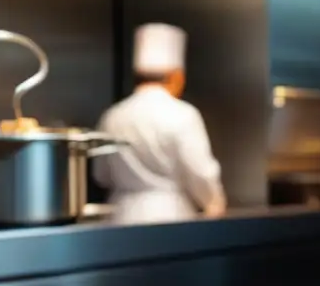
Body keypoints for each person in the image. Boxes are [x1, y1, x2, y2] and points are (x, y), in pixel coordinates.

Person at [93, 23, 226, 224]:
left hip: (120, 217)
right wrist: (214, 203)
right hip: (171, 216)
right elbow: (200, 172)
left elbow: (100, 174)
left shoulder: (112, 115)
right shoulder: (183, 114)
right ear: (176, 77)